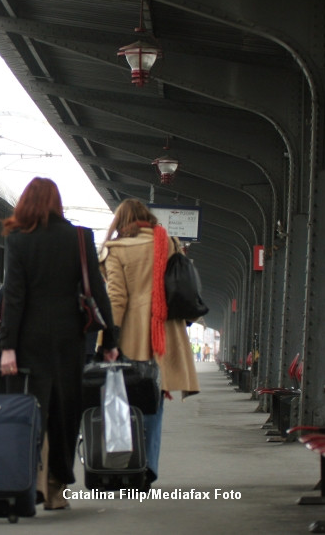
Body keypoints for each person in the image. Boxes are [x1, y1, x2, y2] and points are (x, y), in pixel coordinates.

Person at [0, 177, 119, 510]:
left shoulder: (19, 241)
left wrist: (8, 347)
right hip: (70, 340)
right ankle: (56, 488)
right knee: (65, 412)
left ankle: (29, 481)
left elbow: (14, 296)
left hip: (28, 341)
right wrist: (110, 340)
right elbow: (97, 292)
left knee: (30, 410)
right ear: (57, 202)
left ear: (25, 203)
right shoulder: (80, 238)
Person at [99, 198, 200, 490]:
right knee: (152, 402)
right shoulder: (168, 242)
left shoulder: (116, 250)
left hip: (131, 336)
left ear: (121, 222)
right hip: (164, 335)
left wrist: (108, 339)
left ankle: (124, 466)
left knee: (123, 401)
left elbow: (116, 298)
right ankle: (147, 469)